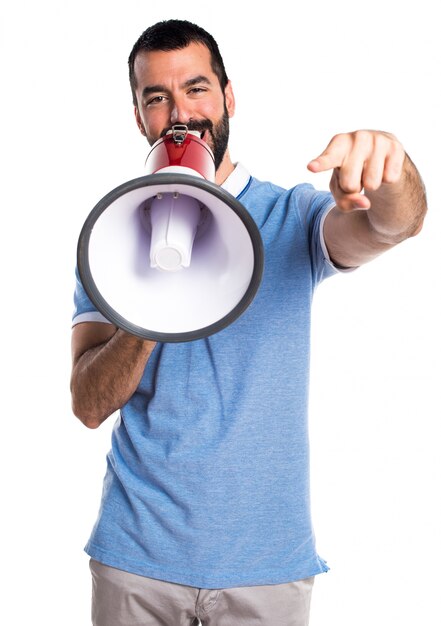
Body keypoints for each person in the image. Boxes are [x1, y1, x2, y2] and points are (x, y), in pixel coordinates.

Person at [70, 19, 427, 626]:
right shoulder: (112, 235)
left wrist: (391, 175)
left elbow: (389, 226)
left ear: (228, 98)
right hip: (138, 557)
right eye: (156, 98)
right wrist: (150, 304)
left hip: (268, 564)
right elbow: (88, 404)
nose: (180, 112)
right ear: (139, 118)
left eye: (197, 88)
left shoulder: (289, 214)